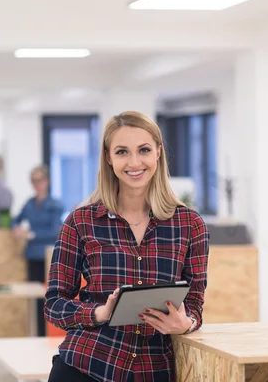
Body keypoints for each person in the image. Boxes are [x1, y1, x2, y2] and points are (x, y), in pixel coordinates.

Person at [44, 111, 209, 382]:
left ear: (158, 152)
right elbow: (54, 304)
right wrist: (101, 312)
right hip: (86, 365)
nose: (134, 162)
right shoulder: (81, 221)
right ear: (108, 157)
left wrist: (185, 323)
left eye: (143, 150)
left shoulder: (189, 224)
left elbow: (194, 303)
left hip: (153, 371)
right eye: (122, 152)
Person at [12, 165, 63, 336]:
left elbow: (55, 231)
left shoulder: (55, 205)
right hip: (32, 256)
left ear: (47, 181)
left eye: (39, 180)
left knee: (47, 298)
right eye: (33, 181)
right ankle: (36, 333)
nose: (36, 184)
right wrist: (16, 228)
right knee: (34, 298)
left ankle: (47, 334)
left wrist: (31, 234)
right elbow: (15, 219)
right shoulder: (29, 203)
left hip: (47, 258)